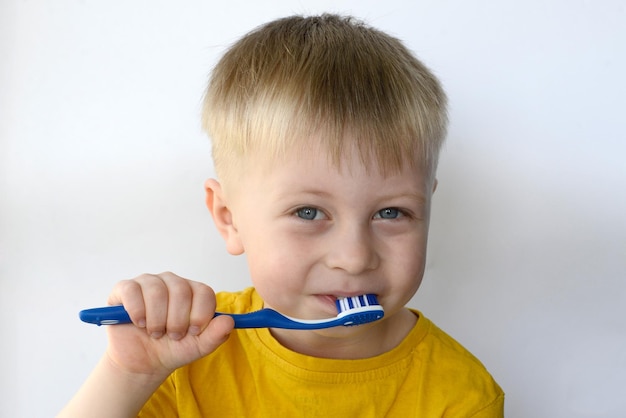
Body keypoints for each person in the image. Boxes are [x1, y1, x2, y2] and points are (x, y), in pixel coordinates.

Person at [58, 14, 504, 417]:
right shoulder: (178, 355)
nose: (354, 258)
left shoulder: (460, 396)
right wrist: (129, 375)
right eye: (308, 212)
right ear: (229, 218)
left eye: (392, 212)